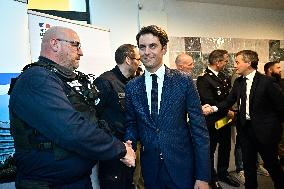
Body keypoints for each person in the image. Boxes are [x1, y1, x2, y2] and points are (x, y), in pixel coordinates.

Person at [8, 26, 135, 189]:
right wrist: (120, 149)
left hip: (75, 180)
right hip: (47, 184)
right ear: (55, 44)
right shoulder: (36, 80)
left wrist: (117, 142)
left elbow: (91, 120)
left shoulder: (59, 80)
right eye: (76, 45)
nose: (81, 52)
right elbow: (72, 129)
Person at [124, 25, 210, 189]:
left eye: (152, 46)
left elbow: (199, 130)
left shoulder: (183, 81)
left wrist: (203, 176)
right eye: (142, 47)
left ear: (164, 49)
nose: (147, 52)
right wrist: (129, 142)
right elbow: (131, 123)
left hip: (182, 166)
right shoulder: (132, 87)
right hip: (150, 169)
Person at [203, 50, 284, 189]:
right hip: (246, 131)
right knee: (248, 168)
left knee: (272, 166)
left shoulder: (267, 82)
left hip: (265, 133)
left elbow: (281, 107)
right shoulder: (239, 82)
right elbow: (228, 101)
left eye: (237, 62)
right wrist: (212, 108)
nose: (235, 66)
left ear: (248, 63)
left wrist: (275, 130)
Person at [94, 44, 140, 189]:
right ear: (128, 59)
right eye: (138, 59)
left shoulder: (132, 83)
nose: (140, 63)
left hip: (131, 147)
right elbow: (94, 117)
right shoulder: (105, 82)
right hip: (113, 150)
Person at [196, 50, 240, 189]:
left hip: (225, 120)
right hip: (213, 121)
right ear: (217, 62)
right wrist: (227, 109)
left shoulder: (223, 76)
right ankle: (211, 177)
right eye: (225, 61)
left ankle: (223, 172)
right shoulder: (203, 78)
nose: (227, 63)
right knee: (211, 150)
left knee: (225, 148)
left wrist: (228, 109)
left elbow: (229, 98)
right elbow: (208, 100)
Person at [264, 61, 284, 168]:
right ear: (270, 70)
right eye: (278, 68)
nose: (280, 70)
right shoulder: (265, 84)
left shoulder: (279, 83)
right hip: (270, 124)